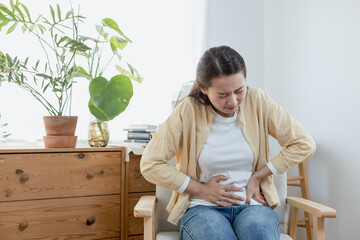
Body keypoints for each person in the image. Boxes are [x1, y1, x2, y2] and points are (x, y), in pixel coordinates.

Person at [140, 45, 316, 240]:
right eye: (223, 95)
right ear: (204, 89)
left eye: (239, 90)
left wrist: (259, 175)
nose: (233, 101)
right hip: (202, 210)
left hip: (252, 207)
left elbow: (304, 143)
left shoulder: (258, 100)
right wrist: (201, 189)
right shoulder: (188, 110)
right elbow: (150, 164)